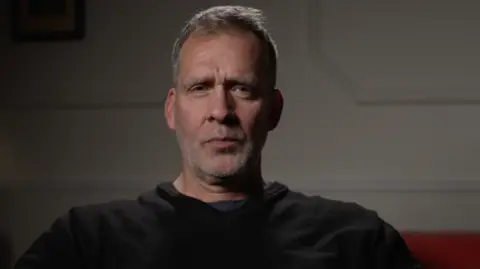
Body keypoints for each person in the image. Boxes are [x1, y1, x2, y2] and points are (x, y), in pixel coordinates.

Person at [15, 5, 422, 269]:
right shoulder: (87, 239)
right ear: (172, 109)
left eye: (242, 88)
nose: (221, 111)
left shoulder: (356, 239)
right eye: (200, 88)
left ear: (274, 110)